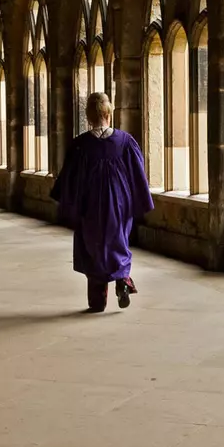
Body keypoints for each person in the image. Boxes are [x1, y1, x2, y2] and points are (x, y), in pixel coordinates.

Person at [51, 92, 154, 312]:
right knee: (119, 243)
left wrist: (67, 204)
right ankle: (123, 282)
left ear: (89, 117)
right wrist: (138, 202)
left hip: (90, 205)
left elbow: (69, 177)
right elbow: (137, 173)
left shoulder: (80, 145)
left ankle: (97, 301)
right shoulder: (125, 142)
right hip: (119, 204)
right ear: (108, 113)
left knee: (93, 248)